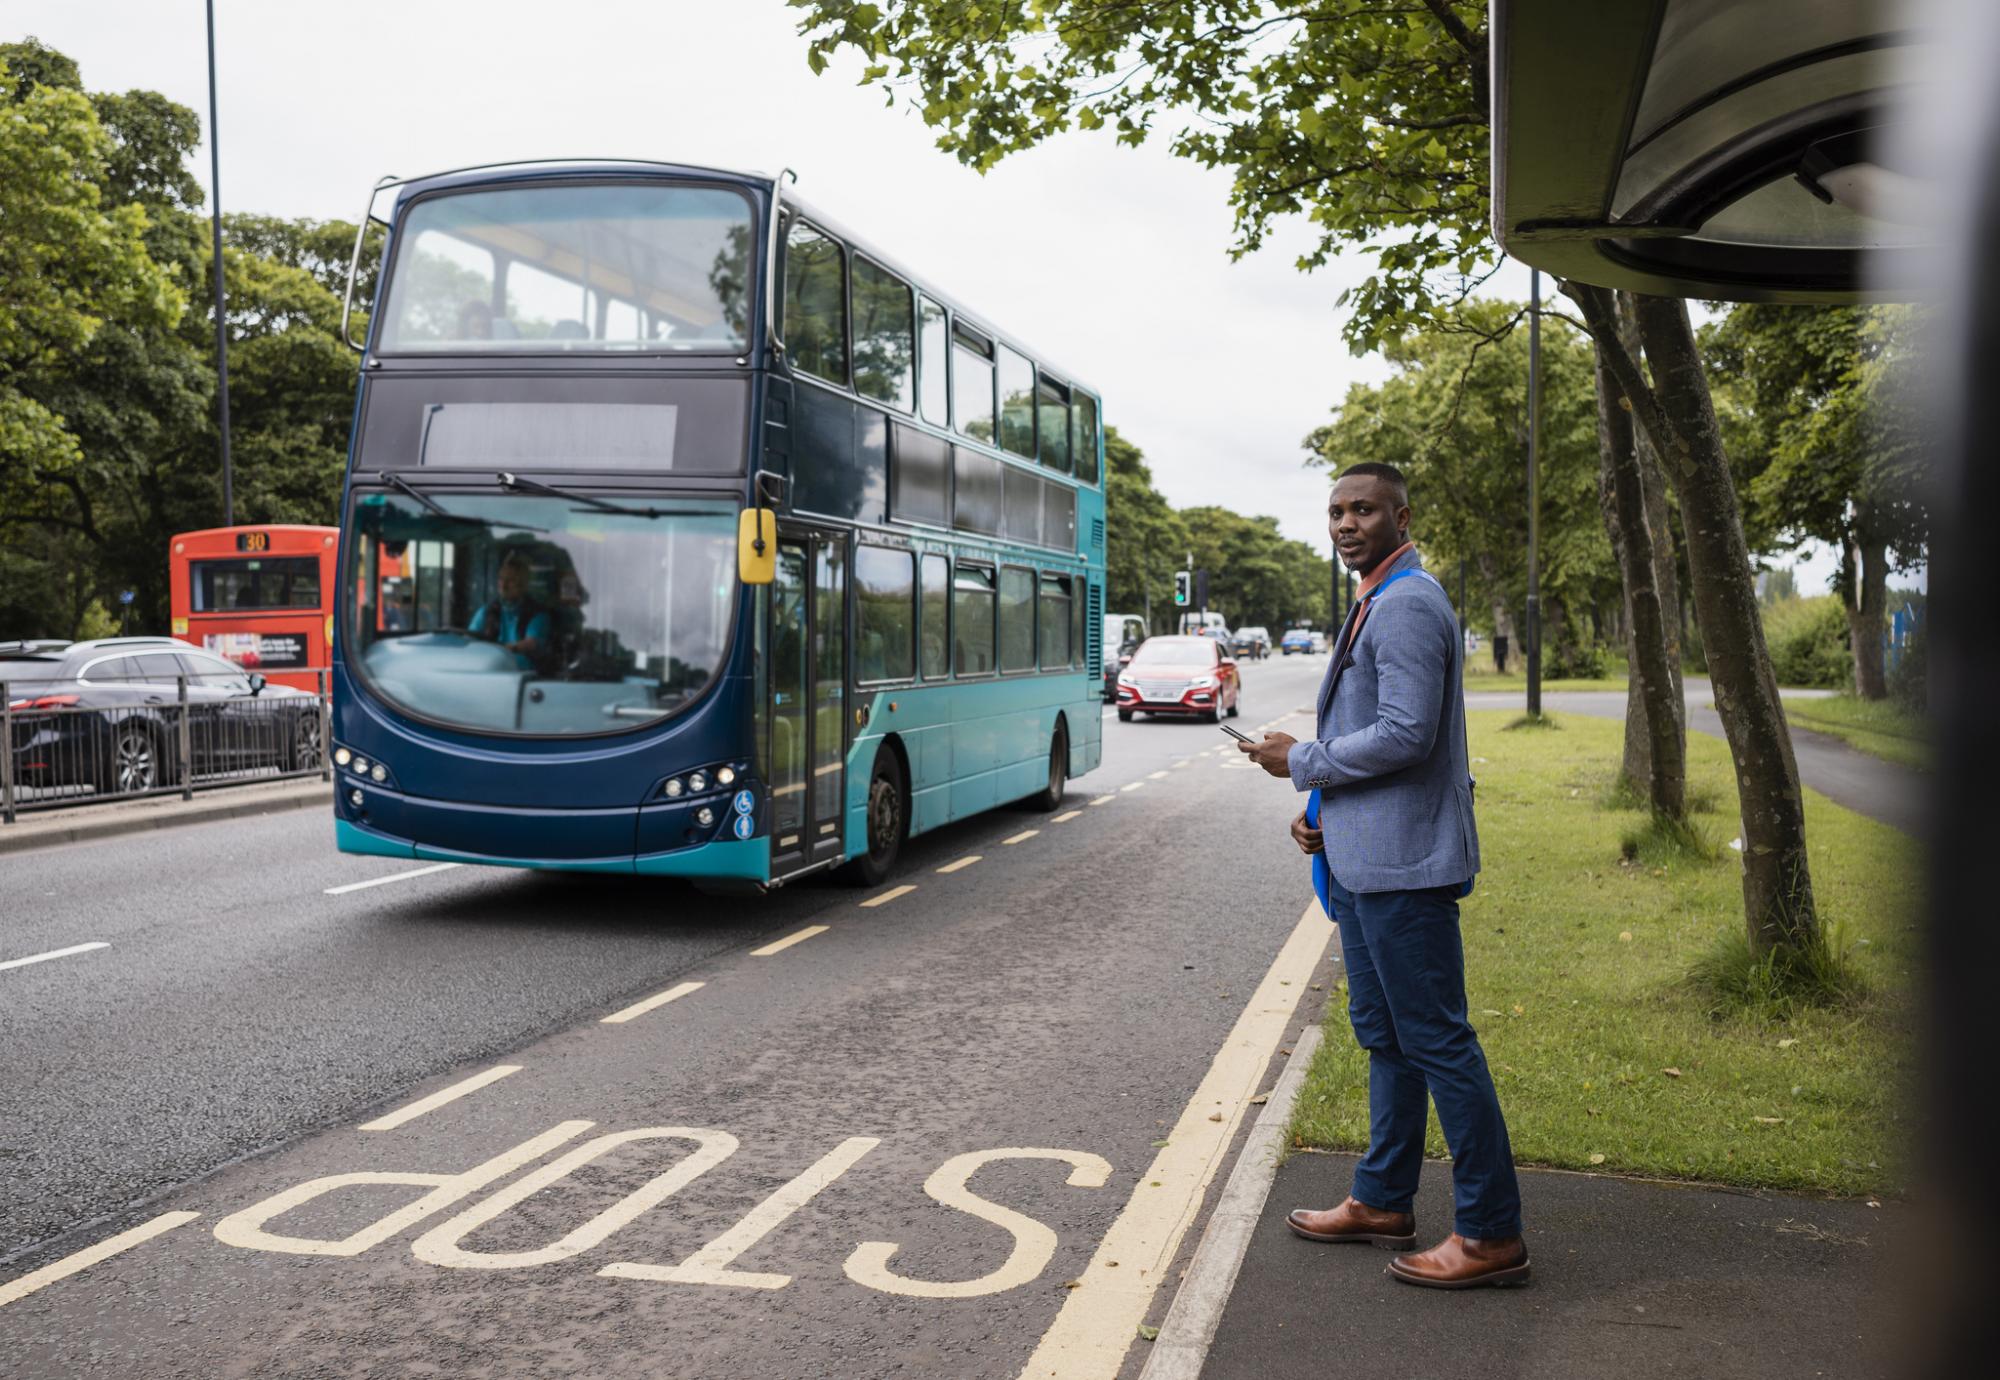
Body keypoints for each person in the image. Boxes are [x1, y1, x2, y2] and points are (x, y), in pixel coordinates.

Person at [1237, 460, 1528, 1289]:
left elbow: (1406, 734)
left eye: (1363, 509)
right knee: (1388, 1038)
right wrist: (1322, 809)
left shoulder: (1405, 604)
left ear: (1402, 518)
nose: (1344, 524)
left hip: (1406, 870)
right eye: (1334, 511)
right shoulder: (1374, 599)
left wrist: (1305, 760)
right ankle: (1382, 1199)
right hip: (1367, 860)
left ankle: (1491, 1234)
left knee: (1438, 1041)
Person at [469, 552, 552, 670]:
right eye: (501, 579)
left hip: (521, 674)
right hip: (487, 670)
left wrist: (506, 650)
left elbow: (531, 643)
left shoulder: (537, 614)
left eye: (510, 580)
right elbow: (469, 639)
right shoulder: (486, 612)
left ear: (523, 585)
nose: (503, 586)